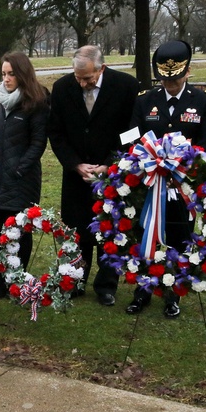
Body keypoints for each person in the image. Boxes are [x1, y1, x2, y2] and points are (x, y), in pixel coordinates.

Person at [125, 40, 206, 318]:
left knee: (179, 235)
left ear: (187, 72)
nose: (171, 84)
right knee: (146, 235)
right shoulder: (145, 100)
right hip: (150, 182)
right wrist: (140, 159)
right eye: (166, 80)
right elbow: (132, 136)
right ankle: (141, 289)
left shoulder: (203, 101)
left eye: (175, 78)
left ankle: (172, 293)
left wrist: (182, 164)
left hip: (182, 185)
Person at [48, 45, 139, 307]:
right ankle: (76, 279)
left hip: (112, 174)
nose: (83, 83)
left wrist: (110, 164)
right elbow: (56, 133)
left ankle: (106, 285)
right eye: (78, 78)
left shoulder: (126, 86)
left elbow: (133, 132)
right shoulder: (63, 88)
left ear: (102, 68)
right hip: (77, 173)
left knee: (110, 229)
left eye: (88, 78)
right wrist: (75, 164)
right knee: (77, 229)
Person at [0, 52, 49, 299]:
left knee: (21, 230)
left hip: (23, 178)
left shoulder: (37, 100)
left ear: (22, 74)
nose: (7, 79)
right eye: (4, 74)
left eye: (11, 74)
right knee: (3, 228)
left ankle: (18, 278)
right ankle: (4, 278)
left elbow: (38, 142)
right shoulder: (0, 99)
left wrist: (21, 168)